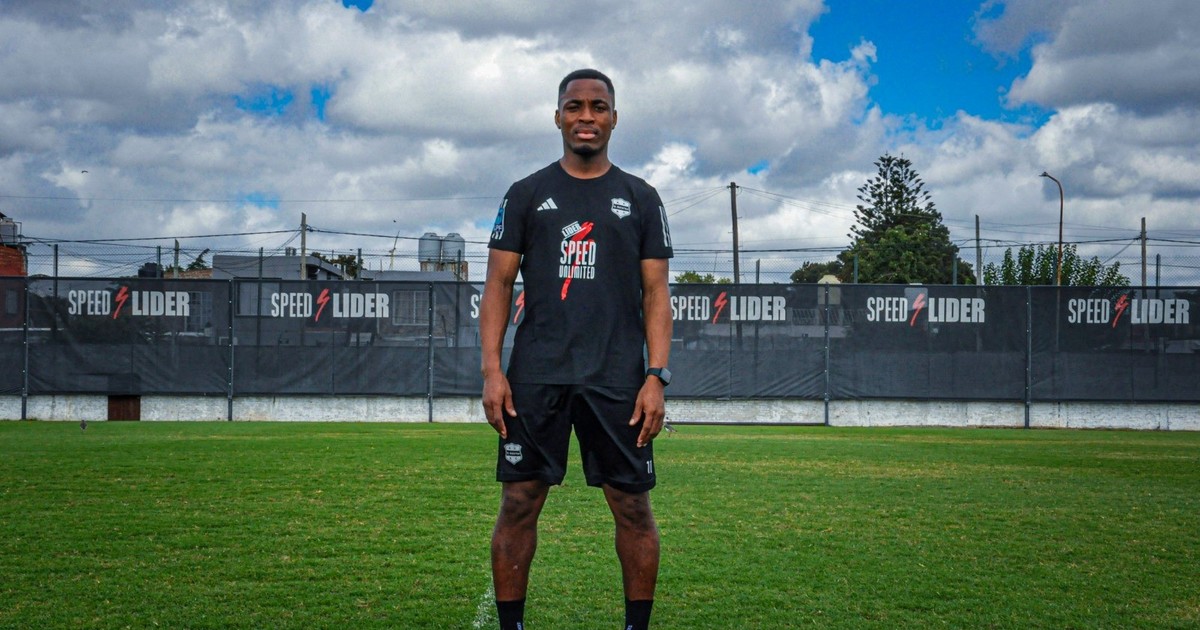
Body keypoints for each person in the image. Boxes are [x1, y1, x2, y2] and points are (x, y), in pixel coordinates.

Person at [479, 68, 674, 630]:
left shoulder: (641, 197)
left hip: (617, 377)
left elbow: (656, 293)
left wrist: (656, 376)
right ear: (558, 116)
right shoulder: (525, 193)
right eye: (574, 106)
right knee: (519, 502)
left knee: (632, 506)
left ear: (614, 118)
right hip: (536, 374)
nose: (586, 116)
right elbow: (498, 284)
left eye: (598, 106)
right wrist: (492, 371)